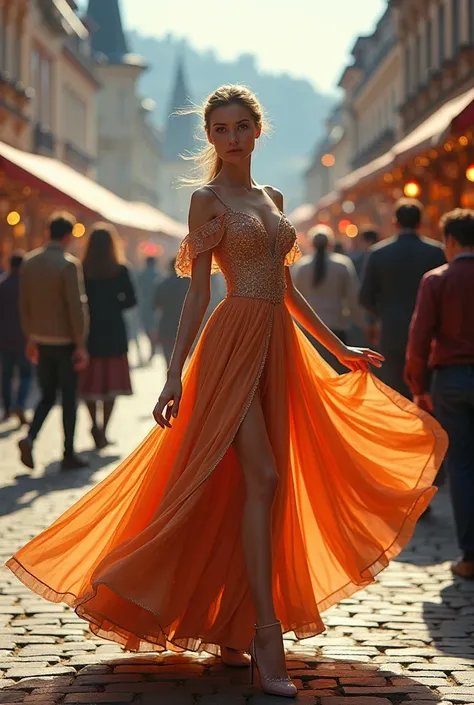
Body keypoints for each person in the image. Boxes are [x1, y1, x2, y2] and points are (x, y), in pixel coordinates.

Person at [6, 86, 447, 698]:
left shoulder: (273, 198)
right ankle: (267, 633)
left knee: (261, 485)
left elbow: (285, 288)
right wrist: (172, 373)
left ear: (257, 131)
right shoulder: (205, 199)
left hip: (279, 347)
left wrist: (337, 348)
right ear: (210, 137)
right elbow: (197, 292)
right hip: (231, 343)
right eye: (221, 129)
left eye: (242, 126)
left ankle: (235, 623)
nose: (232, 137)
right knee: (261, 479)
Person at [405, 209, 474, 580]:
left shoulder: (437, 280)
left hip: (451, 381)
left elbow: (419, 339)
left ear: (449, 241)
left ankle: (470, 555)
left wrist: (418, 387)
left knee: (461, 465)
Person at [17, 213, 89, 471]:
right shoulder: (68, 265)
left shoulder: (29, 261)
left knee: (46, 395)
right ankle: (68, 452)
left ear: (48, 232)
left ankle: (30, 436)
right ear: (68, 236)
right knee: (69, 398)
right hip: (66, 342)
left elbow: (23, 304)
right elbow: (75, 307)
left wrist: (30, 337)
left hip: (40, 339)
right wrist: (80, 344)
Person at [360, 198, 446, 398]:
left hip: (392, 330)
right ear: (420, 223)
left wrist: (383, 312)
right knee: (427, 390)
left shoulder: (378, 254)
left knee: (396, 391)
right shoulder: (436, 252)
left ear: (395, 223)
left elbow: (365, 296)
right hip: (431, 332)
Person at [80, 224, 137, 449]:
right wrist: (114, 303)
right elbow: (131, 300)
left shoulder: (82, 269)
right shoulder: (120, 269)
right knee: (111, 384)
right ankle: (104, 428)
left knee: (90, 383)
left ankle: (94, 423)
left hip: (90, 331)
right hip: (114, 331)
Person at [293, 225, 366, 373]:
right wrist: (364, 325)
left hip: (309, 329)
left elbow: (293, 300)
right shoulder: (342, 265)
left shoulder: (301, 267)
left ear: (311, 244)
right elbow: (353, 301)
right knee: (337, 373)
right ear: (331, 244)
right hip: (336, 328)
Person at [0, 252, 32, 426]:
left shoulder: (2, 284)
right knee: (26, 375)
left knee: (6, 374)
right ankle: (19, 403)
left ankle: (6, 408)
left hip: (4, 338)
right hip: (24, 338)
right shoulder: (27, 286)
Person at [154, 258, 190, 367]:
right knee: (188, 362)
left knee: (169, 362)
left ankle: (171, 381)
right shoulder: (189, 283)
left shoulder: (162, 284)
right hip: (186, 325)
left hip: (167, 326)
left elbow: (157, 307)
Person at [137, 256, 162, 362]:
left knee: (147, 328)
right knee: (155, 326)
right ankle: (154, 347)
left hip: (145, 305)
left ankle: (153, 347)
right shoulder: (159, 275)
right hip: (157, 306)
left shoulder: (141, 275)